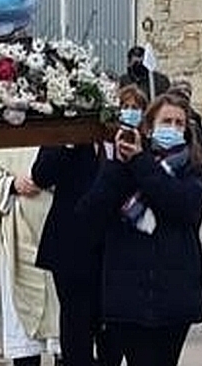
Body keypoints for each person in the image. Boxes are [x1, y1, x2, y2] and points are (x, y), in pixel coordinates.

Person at [84, 93, 202, 366]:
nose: (173, 128)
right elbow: (92, 213)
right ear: (149, 127)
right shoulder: (125, 166)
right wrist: (119, 164)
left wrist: (142, 164)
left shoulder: (192, 168)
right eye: (166, 121)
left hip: (174, 292)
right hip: (128, 292)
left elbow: (182, 205)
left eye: (179, 123)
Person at [31, 97, 135, 366]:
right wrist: (69, 140)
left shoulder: (127, 141)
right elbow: (41, 175)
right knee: (77, 327)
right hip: (72, 250)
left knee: (114, 330)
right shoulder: (68, 140)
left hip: (116, 250)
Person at [0, 148, 60, 366]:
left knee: (66, 334)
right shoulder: (11, 142)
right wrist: (12, 185)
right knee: (24, 343)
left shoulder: (67, 138)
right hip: (20, 246)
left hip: (63, 242)